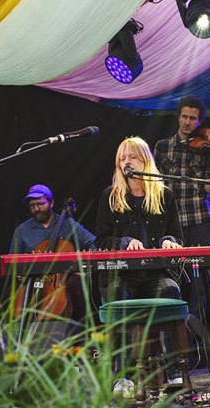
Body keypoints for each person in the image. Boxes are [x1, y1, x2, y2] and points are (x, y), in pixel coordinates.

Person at [153, 96, 210, 318]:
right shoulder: (162, 147)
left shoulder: (205, 149)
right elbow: (154, 184)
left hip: (199, 219)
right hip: (171, 223)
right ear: (178, 117)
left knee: (200, 282)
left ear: (199, 121)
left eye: (193, 118)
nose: (188, 122)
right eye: (184, 117)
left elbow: (209, 188)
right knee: (171, 279)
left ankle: (197, 336)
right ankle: (175, 329)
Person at [94, 137, 183, 302]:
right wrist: (126, 242)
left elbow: (177, 236)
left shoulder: (165, 195)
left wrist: (168, 241)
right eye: (122, 158)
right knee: (118, 295)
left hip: (157, 272)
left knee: (171, 292)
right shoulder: (110, 197)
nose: (127, 162)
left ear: (145, 160)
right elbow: (101, 240)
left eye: (132, 157)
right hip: (121, 273)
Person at [9, 184, 96, 323]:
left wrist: (83, 268)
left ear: (51, 202)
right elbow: (13, 260)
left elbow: (93, 244)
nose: (36, 209)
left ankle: (83, 330)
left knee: (77, 284)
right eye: (32, 206)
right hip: (33, 279)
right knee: (11, 291)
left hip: (63, 278)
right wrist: (19, 272)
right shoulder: (23, 230)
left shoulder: (68, 223)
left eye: (39, 204)